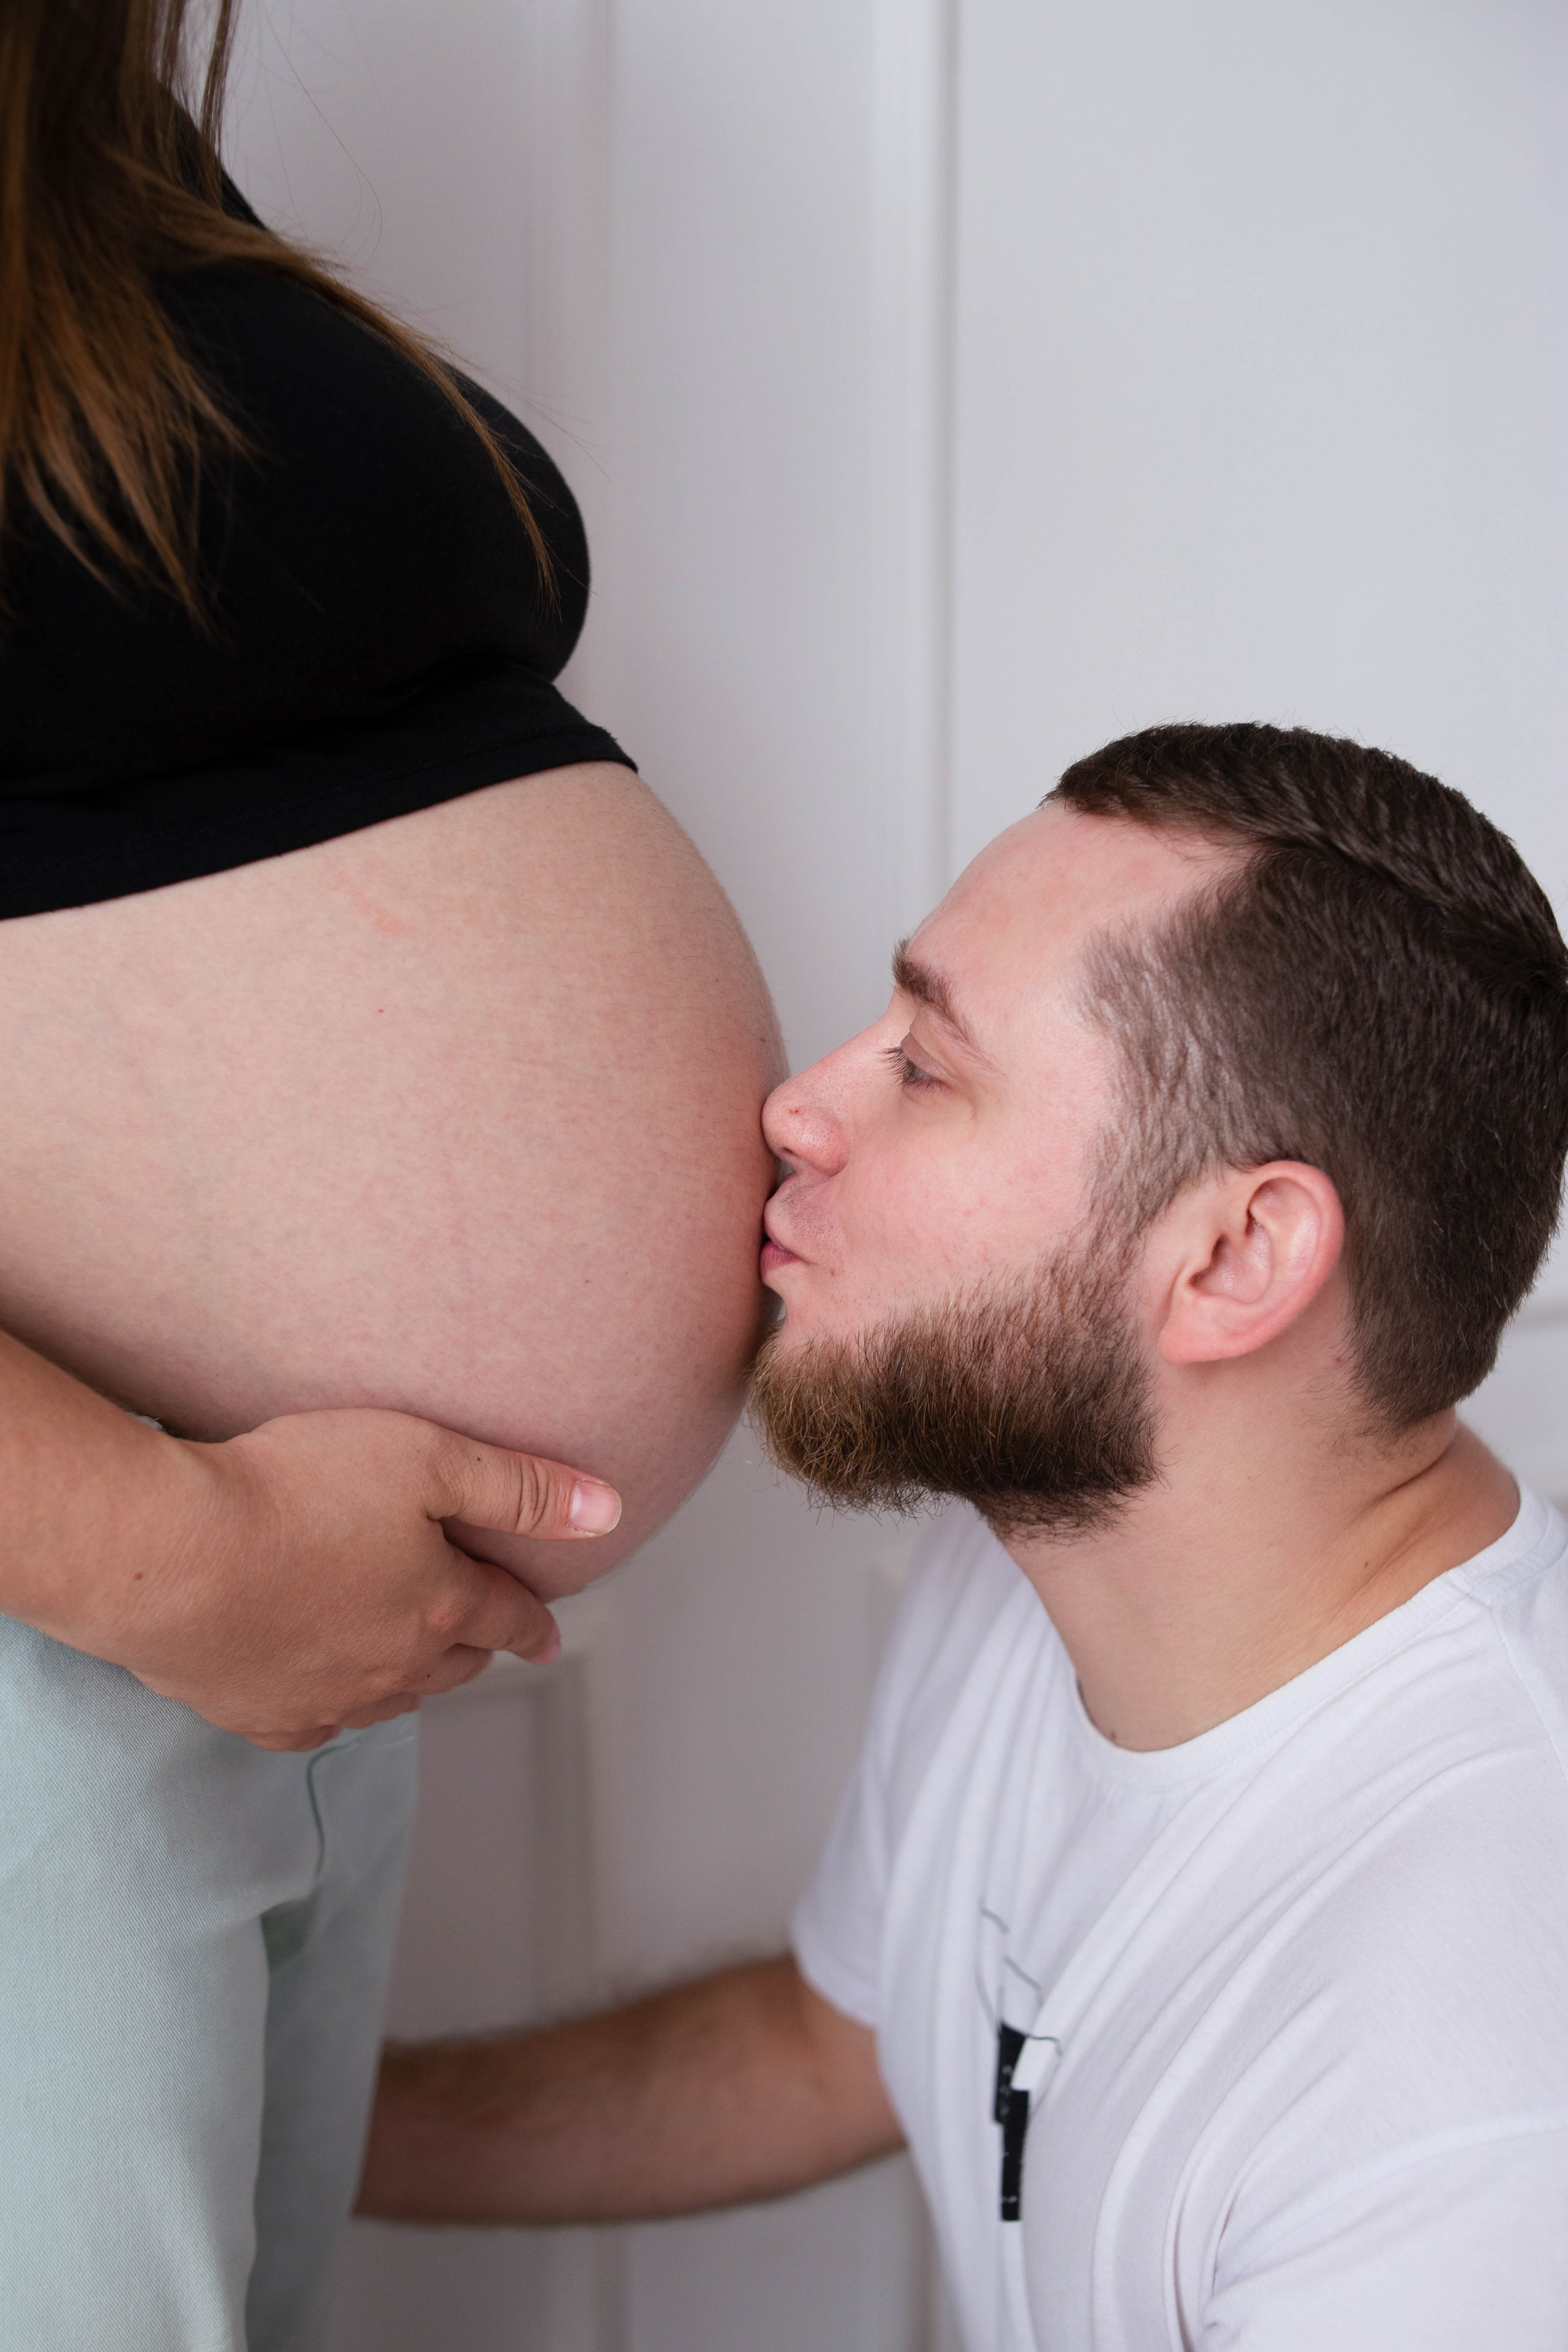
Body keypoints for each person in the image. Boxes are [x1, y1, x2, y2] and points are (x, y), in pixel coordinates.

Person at [362, 723, 1568, 2350]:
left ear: (1233, 1260)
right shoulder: (1038, 1547)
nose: (799, 1108)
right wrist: (281, 2128)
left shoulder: (1477, 2087)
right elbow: (838, 2043)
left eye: (926, 1068)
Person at [0, 4, 778, 2346]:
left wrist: (226, 1563)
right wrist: (156, 1549)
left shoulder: (85, 147)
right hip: (79, 1583)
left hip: (261, 1632)